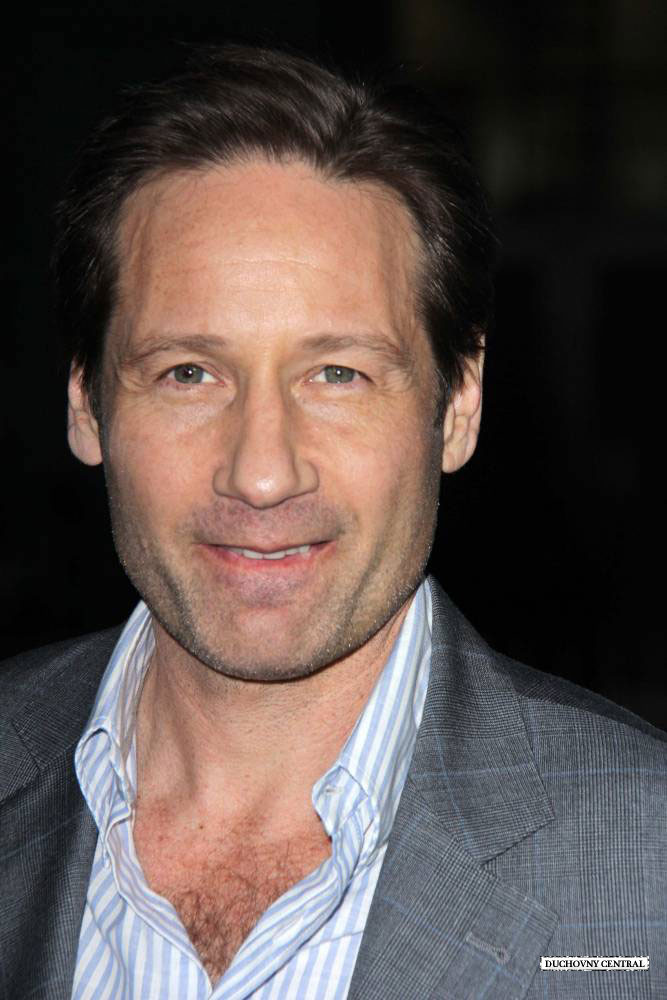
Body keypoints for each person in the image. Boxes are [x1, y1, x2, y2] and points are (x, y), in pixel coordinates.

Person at [1, 43, 665, 1000]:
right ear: (85, 403)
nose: (262, 474)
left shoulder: (642, 867)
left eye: (338, 374)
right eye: (189, 373)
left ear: (457, 406)